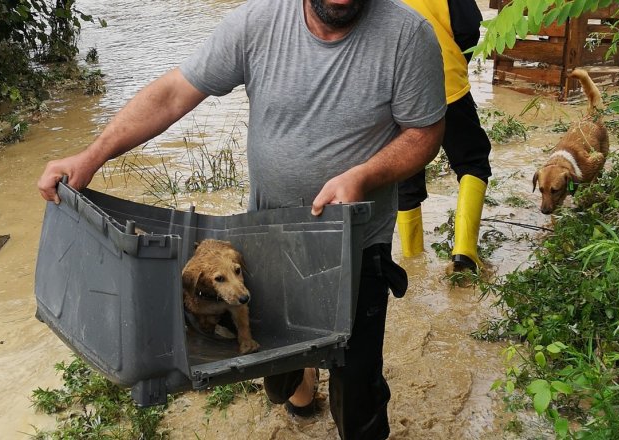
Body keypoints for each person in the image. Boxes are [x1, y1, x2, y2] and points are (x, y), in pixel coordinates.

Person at [36, 0, 446, 438]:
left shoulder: (408, 35)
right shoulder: (258, 23)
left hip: (357, 241)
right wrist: (92, 155)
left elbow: (424, 132)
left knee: (358, 382)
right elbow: (174, 93)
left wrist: (365, 176)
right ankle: (303, 398)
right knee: (279, 370)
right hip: (269, 237)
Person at [395, 0, 492, 274]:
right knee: (472, 159)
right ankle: (465, 253)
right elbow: (470, 26)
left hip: (395, 87)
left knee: (405, 168)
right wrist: (454, 59)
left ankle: (412, 261)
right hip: (444, 75)